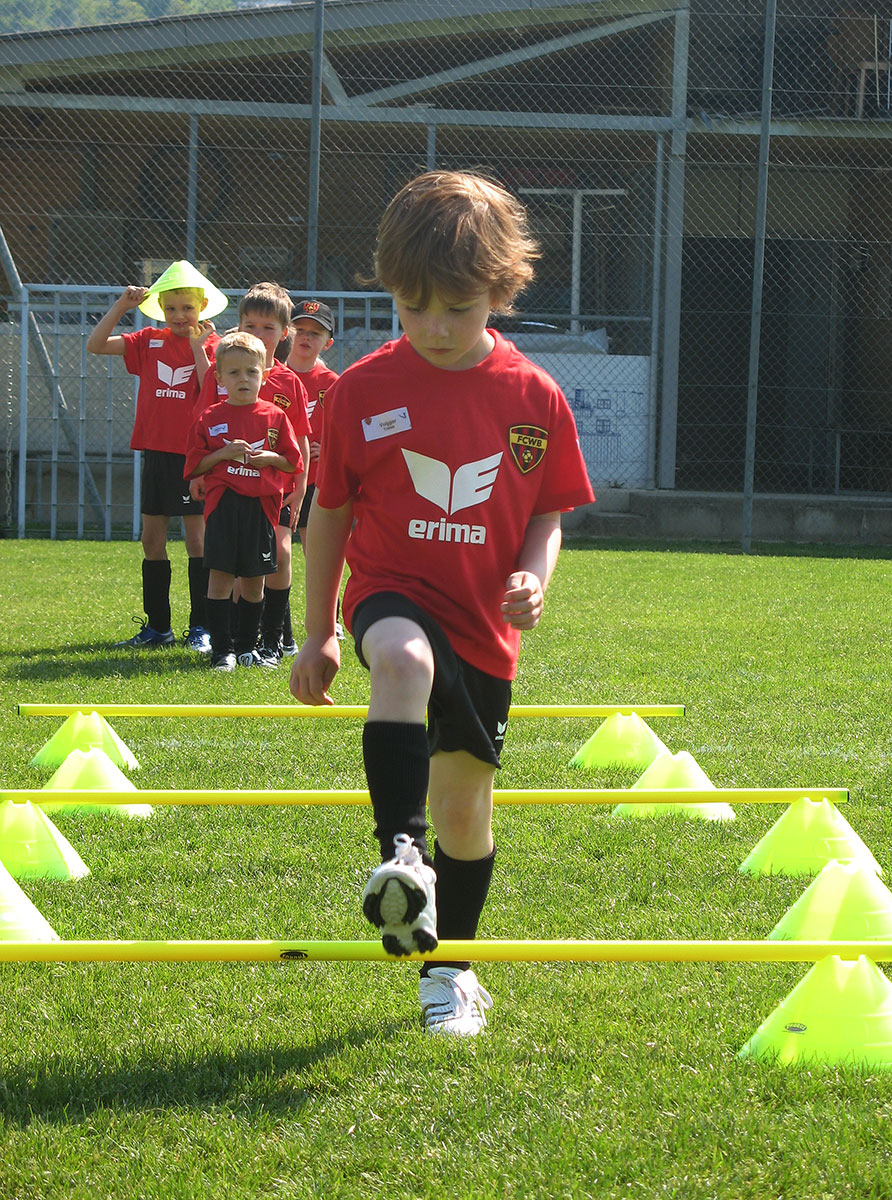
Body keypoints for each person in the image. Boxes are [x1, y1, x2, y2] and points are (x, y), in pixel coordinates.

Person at [289, 171, 595, 1036]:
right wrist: (317, 634)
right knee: (401, 657)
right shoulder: (359, 391)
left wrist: (536, 576)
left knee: (467, 810)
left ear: (500, 292)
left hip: (485, 629)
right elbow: (331, 516)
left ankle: (450, 969)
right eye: (411, 306)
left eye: (456, 309)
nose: (433, 326)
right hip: (392, 592)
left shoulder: (534, 397)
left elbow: (547, 514)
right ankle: (400, 856)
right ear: (388, 291)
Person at [86, 260, 227, 652]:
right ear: (161, 309)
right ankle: (158, 627)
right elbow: (95, 345)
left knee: (197, 541)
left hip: (196, 456)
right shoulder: (146, 340)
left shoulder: (213, 345)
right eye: (172, 308)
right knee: (152, 539)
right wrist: (120, 307)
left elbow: (210, 387)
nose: (180, 316)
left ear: (201, 307)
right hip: (156, 454)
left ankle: (202, 628)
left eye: (187, 308)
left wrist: (200, 349)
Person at [191, 283, 311, 665]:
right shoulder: (220, 376)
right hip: (226, 493)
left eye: (267, 328)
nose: (257, 334)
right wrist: (200, 472)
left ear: (284, 333)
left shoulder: (288, 382)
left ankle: (272, 640)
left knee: (276, 556)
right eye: (249, 325)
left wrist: (301, 486)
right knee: (228, 569)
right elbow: (202, 435)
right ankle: (230, 644)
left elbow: (298, 444)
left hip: (272, 492)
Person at [284, 299, 341, 650]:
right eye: (300, 330)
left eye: (315, 333)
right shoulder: (269, 374)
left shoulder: (333, 383)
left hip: (318, 480)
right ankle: (272, 619)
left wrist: (329, 450)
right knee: (273, 555)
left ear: (327, 342)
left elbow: (348, 432)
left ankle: (329, 619)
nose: (306, 338)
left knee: (317, 552)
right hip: (276, 480)